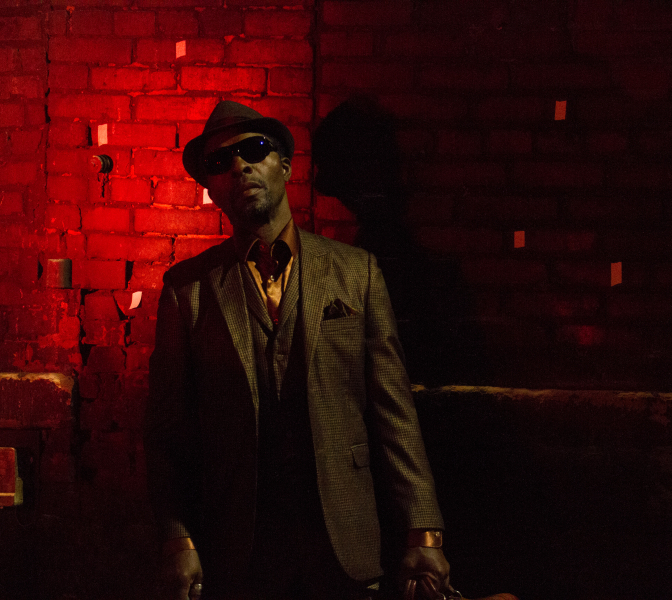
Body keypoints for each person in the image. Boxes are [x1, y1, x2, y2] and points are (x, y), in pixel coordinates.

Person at [145, 101, 453, 600]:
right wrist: (177, 539)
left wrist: (424, 532)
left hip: (345, 545)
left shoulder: (356, 272)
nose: (239, 166)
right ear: (210, 189)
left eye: (254, 149)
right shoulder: (188, 290)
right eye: (220, 161)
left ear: (285, 166)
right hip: (240, 551)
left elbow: (394, 413)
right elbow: (168, 434)